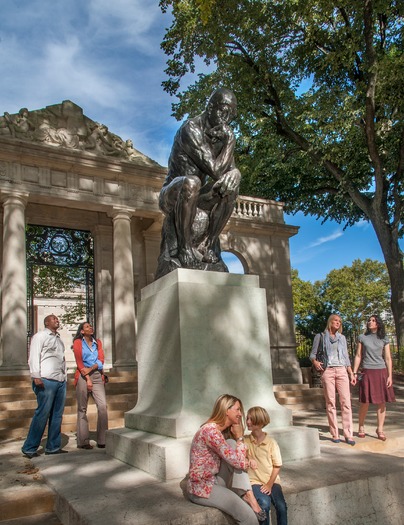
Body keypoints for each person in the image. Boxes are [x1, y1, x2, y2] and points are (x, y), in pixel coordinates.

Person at [157, 87, 241, 277]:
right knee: (192, 182)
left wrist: (237, 174)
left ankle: (209, 246)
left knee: (230, 189)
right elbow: (216, 170)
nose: (225, 117)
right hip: (173, 194)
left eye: (230, 114)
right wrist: (230, 142)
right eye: (222, 110)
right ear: (210, 107)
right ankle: (184, 249)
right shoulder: (191, 129)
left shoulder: (221, 133)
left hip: (197, 194)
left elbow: (228, 172)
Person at [186, 394, 265, 524]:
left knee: (231, 443)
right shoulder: (211, 431)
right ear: (226, 410)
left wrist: (238, 447)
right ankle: (248, 496)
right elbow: (238, 462)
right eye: (237, 409)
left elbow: (237, 460)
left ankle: (247, 494)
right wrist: (240, 438)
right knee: (250, 518)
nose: (240, 414)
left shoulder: (219, 431)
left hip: (215, 481)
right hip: (202, 488)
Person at [21, 314, 67, 458]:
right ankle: (29, 447)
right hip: (46, 379)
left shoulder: (59, 340)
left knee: (57, 415)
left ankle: (53, 447)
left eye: (57, 319)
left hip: (60, 380)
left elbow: (62, 360)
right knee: (42, 414)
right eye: (53, 319)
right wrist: (36, 375)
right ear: (46, 322)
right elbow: (34, 355)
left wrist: (64, 377)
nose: (57, 320)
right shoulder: (40, 336)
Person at [310, 314, 355, 445]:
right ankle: (335, 433)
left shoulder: (342, 338)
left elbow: (346, 357)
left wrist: (351, 373)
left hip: (342, 370)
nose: (338, 323)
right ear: (330, 321)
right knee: (331, 403)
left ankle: (348, 434)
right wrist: (315, 362)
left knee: (346, 402)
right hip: (328, 370)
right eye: (336, 320)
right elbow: (312, 354)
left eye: (340, 321)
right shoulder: (321, 336)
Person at [352, 314, 395, 441]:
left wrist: (390, 376)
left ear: (378, 323)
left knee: (381, 402)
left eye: (373, 320)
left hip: (381, 372)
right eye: (369, 320)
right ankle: (361, 426)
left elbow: (387, 358)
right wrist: (354, 372)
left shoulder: (384, 338)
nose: (370, 322)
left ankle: (380, 429)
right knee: (365, 401)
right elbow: (358, 356)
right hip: (367, 371)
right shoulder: (362, 337)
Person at [245, 407, 287, 525]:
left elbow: (277, 465)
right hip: (254, 481)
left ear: (260, 422)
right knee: (264, 503)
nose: (247, 422)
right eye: (247, 418)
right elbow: (241, 449)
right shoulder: (245, 440)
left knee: (281, 506)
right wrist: (249, 457)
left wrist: (269, 484)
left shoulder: (271, 443)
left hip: (271, 481)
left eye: (251, 419)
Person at [72, 322, 108, 449]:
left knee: (102, 406)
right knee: (82, 408)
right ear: (82, 331)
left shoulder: (97, 342)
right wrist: (87, 378)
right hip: (83, 375)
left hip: (97, 374)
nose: (90, 328)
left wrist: (93, 368)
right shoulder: (77, 342)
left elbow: (101, 360)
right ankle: (83, 441)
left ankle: (103, 439)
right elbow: (79, 361)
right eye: (87, 327)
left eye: (91, 326)